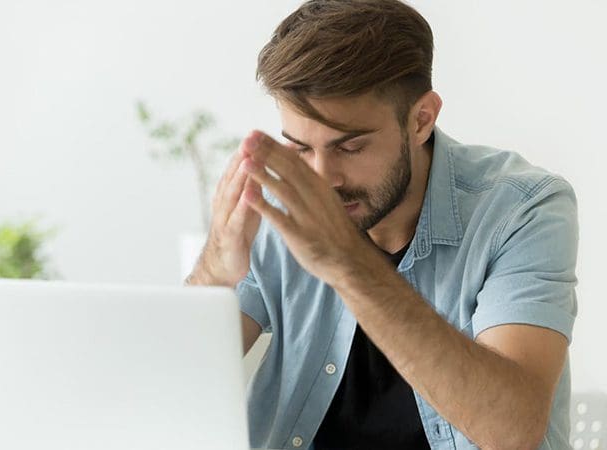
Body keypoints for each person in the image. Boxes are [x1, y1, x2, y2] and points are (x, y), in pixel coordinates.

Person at [186, 1, 578, 449]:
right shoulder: (276, 206)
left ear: (421, 120)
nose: (321, 179)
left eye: (349, 148)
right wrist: (216, 270)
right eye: (300, 148)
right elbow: (166, 395)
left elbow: (511, 431)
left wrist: (347, 263)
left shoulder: (521, 209)